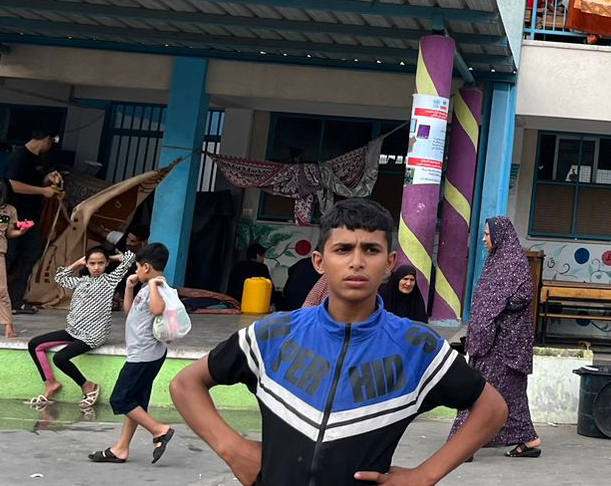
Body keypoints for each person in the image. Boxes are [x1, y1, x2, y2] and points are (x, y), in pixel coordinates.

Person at [170, 199, 506, 485]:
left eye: (371, 250)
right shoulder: (272, 335)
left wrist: (425, 475)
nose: (357, 262)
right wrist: (232, 448)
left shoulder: (417, 348)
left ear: (389, 264)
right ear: (319, 262)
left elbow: (492, 409)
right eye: (343, 249)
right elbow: (186, 384)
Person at [448, 216, 540, 458]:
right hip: (497, 343)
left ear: (500, 236)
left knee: (478, 391)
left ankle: (463, 445)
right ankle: (528, 439)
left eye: (488, 234)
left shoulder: (512, 263)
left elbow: (524, 295)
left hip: (503, 345)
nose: (484, 239)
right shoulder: (499, 261)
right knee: (510, 394)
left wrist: (499, 311)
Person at [88, 242, 177, 464]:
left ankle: (159, 430)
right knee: (136, 402)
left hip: (144, 356)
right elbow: (131, 314)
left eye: (137, 267)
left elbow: (157, 309)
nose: (136, 271)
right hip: (143, 353)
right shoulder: (146, 288)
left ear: (146, 267)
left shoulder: (157, 287)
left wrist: (154, 285)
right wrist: (129, 288)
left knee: (120, 399)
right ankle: (121, 448)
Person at [28, 245, 136, 409]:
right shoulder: (81, 281)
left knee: (60, 358)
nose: (96, 267)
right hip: (73, 331)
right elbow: (60, 277)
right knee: (34, 344)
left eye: (100, 263)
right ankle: (50, 383)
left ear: (106, 264)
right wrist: (78, 262)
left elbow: (130, 257)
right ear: (86, 264)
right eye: (92, 263)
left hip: (93, 335)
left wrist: (110, 257)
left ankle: (88, 386)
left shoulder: (110, 280)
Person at [5, 128, 59, 315]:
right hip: (14, 216)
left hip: (30, 218)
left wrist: (47, 179)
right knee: (9, 255)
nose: (50, 146)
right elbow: (12, 184)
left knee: (30, 254)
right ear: (46, 139)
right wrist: (43, 191)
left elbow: (35, 182)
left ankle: (15, 301)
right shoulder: (19, 157)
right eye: (51, 141)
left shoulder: (39, 160)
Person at [0, 197, 34, 336]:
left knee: (2, 290)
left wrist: (22, 231)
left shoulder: (9, 210)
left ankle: (9, 327)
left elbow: (9, 232)